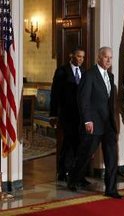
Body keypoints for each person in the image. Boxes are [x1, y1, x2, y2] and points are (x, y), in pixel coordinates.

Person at [68, 47, 122, 199]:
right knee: (85, 155)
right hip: (94, 123)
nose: (109, 60)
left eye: (111, 58)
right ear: (99, 58)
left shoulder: (110, 76)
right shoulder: (89, 75)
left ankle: (111, 189)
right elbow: (83, 99)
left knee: (112, 157)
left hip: (108, 124)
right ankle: (73, 179)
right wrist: (87, 119)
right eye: (106, 57)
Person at [50, 47, 85, 182]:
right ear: (71, 56)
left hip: (80, 115)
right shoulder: (62, 71)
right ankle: (64, 170)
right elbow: (55, 94)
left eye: (82, 57)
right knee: (69, 142)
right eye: (78, 56)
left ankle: (69, 170)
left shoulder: (83, 72)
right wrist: (53, 114)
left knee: (74, 143)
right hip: (67, 114)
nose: (81, 59)